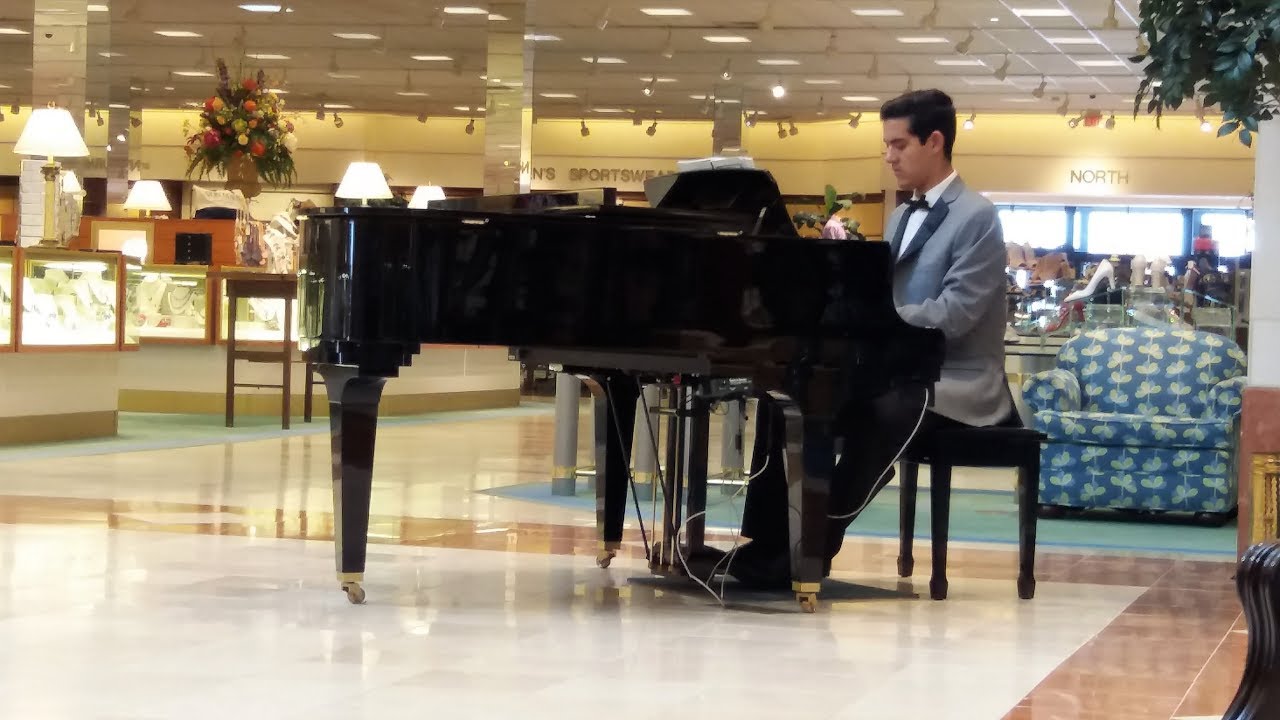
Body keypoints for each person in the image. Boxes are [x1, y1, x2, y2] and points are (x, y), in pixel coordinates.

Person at [693, 89, 1015, 589]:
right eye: (886, 145)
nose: (888, 156)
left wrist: (880, 318)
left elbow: (956, 313)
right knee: (788, 396)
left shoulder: (977, 216)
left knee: (887, 408)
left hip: (957, 379)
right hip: (898, 367)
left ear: (935, 141)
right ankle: (768, 542)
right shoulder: (901, 215)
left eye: (898, 145)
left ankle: (815, 547)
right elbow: (881, 293)